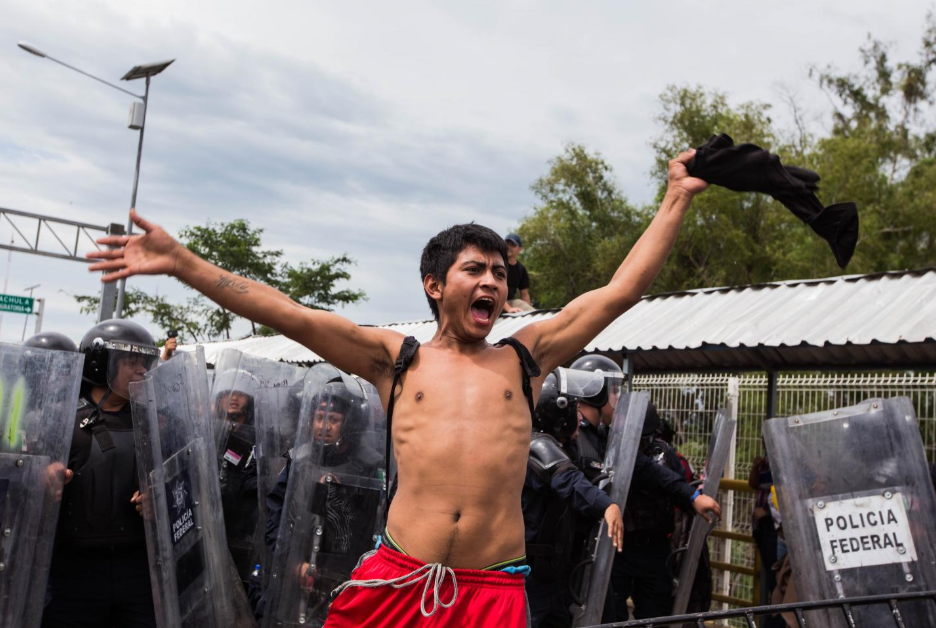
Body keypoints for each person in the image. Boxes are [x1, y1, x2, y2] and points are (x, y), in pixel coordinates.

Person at [88, 149, 707, 627]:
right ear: (435, 284)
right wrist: (181, 262)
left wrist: (675, 198)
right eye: (474, 269)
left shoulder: (526, 358)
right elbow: (290, 314)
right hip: (401, 578)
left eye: (498, 271)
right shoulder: (395, 360)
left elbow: (621, 291)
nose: (491, 280)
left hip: (495, 588)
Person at [41, 319, 160, 628]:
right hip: (73, 570)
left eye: (145, 361)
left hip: (138, 568)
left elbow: (185, 484)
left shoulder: (157, 423)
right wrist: (42, 476)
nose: (142, 370)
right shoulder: (58, 418)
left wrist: (160, 498)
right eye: (131, 360)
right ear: (100, 363)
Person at [260, 374, 382, 623]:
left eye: (334, 419)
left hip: (347, 583)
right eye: (318, 417)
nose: (323, 426)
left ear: (348, 424)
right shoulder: (298, 462)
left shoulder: (368, 468)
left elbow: (375, 531)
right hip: (297, 580)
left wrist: (342, 497)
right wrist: (294, 566)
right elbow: (276, 521)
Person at [522, 368, 623, 628]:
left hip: (549, 574)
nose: (579, 417)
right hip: (531, 576)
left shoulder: (552, 443)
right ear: (559, 412)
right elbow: (568, 481)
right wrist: (607, 506)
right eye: (574, 411)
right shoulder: (539, 447)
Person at [605, 403, 718, 622]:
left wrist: (694, 497)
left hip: (655, 548)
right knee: (611, 613)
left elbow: (676, 485)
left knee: (655, 615)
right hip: (619, 546)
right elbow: (650, 473)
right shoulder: (613, 452)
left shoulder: (666, 455)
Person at [503, 233, 534, 313]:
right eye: (507, 244)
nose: (508, 247)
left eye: (512, 245)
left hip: (510, 302)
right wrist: (508, 308)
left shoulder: (521, 269)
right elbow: (494, 291)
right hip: (494, 301)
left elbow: (525, 294)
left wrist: (528, 313)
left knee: (522, 305)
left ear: (519, 249)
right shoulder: (498, 265)